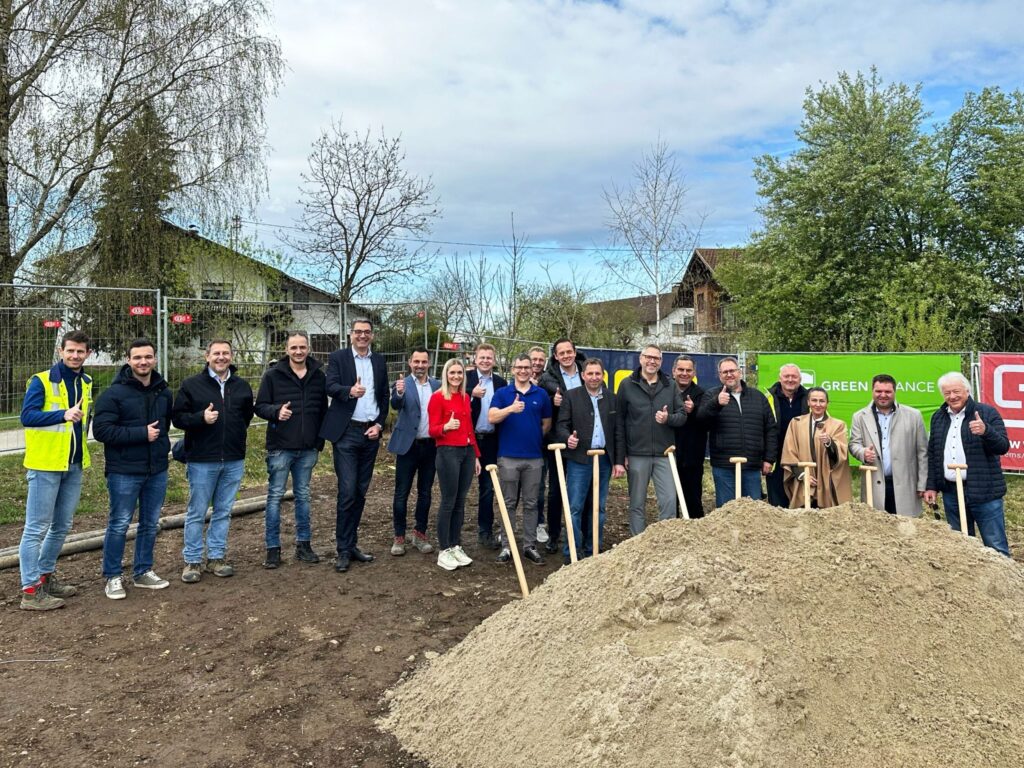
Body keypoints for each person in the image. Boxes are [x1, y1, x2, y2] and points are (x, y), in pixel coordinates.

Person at [17, 330, 92, 610]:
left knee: (62, 526)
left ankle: (45, 576)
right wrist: (62, 414)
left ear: (88, 354)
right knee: (36, 528)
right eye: (70, 350)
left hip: (72, 465)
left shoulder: (85, 381)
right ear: (61, 351)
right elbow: (28, 416)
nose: (74, 356)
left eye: (80, 351)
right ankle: (30, 590)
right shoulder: (42, 380)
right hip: (45, 465)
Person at [93, 338, 173, 599]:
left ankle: (142, 571)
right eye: (137, 357)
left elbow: (168, 425)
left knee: (150, 524)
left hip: (156, 470)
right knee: (119, 524)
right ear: (128, 360)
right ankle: (113, 576)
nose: (143, 362)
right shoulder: (113, 394)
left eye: (148, 357)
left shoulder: (163, 391)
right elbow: (102, 431)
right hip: (124, 471)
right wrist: (141, 433)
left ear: (155, 359)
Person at [172, 340, 254, 582]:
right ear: (206, 356)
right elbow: (178, 418)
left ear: (232, 356)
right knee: (196, 511)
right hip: (201, 459)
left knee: (223, 511)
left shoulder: (241, 386)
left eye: (225, 353)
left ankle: (217, 557)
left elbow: (246, 416)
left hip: (233, 458)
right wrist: (200, 418)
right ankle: (193, 561)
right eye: (216, 353)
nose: (221, 357)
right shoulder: (191, 385)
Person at [254, 330, 328, 569]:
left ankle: (303, 544)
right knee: (275, 496)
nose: (298, 352)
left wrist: (320, 441)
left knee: (303, 496)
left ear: (308, 349)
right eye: (294, 348)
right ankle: (272, 548)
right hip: (280, 448)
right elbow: (260, 407)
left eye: (302, 347)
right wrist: (276, 412)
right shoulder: (273, 376)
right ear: (286, 350)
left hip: (307, 449)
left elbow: (322, 410)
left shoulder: (318, 376)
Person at [320, 318, 389, 573]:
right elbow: (330, 386)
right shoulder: (339, 357)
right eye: (358, 332)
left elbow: (384, 396)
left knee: (360, 492)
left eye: (367, 332)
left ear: (372, 335)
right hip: (346, 433)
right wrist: (350, 391)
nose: (362, 336)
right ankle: (342, 549)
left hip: (370, 433)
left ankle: (352, 545)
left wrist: (380, 425)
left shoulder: (379, 361)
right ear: (351, 334)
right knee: (347, 491)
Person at [924, 372, 1011, 556]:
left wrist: (986, 431)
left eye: (956, 391)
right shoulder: (938, 418)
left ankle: (1001, 583)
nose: (952, 396)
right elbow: (933, 454)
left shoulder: (986, 412)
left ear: (967, 390)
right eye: (947, 393)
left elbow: (1003, 446)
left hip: (984, 491)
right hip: (951, 493)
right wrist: (931, 486)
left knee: (995, 546)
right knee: (961, 546)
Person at [614, 344, 685, 534]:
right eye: (648, 357)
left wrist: (667, 418)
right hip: (637, 453)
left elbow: (682, 416)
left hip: (665, 454)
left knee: (669, 500)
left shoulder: (670, 385)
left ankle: (664, 543)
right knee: (637, 503)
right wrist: (621, 457)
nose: (652, 361)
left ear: (661, 362)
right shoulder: (627, 385)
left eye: (657, 358)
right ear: (641, 359)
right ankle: (637, 544)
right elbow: (619, 422)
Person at [554, 358, 620, 562]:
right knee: (575, 507)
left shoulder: (612, 398)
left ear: (602, 375)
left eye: (597, 374)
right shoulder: (571, 396)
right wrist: (568, 438)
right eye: (589, 373)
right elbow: (561, 425)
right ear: (583, 375)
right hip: (579, 460)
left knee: (598, 507)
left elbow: (618, 431)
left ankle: (594, 551)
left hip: (604, 460)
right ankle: (572, 552)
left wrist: (618, 461)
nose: (594, 377)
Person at [489, 353, 552, 565]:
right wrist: (511, 409)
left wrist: (532, 437)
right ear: (513, 369)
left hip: (534, 458)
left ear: (531, 369)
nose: (523, 370)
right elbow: (492, 417)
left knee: (532, 503)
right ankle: (507, 546)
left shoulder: (541, 394)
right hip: (508, 457)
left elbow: (546, 423)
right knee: (508, 503)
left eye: (527, 367)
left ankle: (529, 545)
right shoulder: (503, 393)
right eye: (519, 367)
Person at [699, 356, 777, 506]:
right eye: (725, 372)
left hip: (751, 465)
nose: (729, 374)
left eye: (732, 371)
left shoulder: (758, 397)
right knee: (726, 511)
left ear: (740, 372)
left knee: (752, 511)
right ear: (720, 375)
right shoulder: (711, 395)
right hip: (724, 465)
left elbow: (770, 429)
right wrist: (716, 403)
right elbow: (701, 422)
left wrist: (769, 459)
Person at [427, 358, 481, 570]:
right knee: (448, 501)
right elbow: (432, 429)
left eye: (460, 373)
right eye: (453, 373)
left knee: (461, 501)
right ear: (446, 374)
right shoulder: (438, 398)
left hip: (466, 452)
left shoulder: (465, 397)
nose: (456, 376)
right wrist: (446, 426)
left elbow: (469, 428)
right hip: (447, 451)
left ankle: (456, 544)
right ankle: (444, 549)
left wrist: (476, 454)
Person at [849, 374, 928, 516]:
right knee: (877, 530)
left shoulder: (914, 416)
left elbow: (922, 452)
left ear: (894, 392)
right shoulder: (859, 416)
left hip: (905, 485)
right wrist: (862, 453)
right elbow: (854, 444)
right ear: (872, 391)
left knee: (906, 531)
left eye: (887, 392)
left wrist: (922, 483)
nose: (883, 395)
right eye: (878, 391)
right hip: (874, 483)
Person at [536, 337, 588, 552]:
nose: (566, 356)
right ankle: (554, 535)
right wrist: (552, 402)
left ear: (575, 353)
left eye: (569, 352)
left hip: (583, 441)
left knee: (582, 489)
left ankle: (582, 533)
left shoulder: (588, 373)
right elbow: (542, 406)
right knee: (556, 490)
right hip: (558, 442)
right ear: (556, 356)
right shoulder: (548, 378)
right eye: (561, 353)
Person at [387, 347, 440, 556]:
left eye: (423, 362)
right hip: (407, 447)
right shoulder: (402, 384)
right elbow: (395, 404)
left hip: (430, 446)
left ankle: (420, 533)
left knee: (425, 492)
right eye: (416, 362)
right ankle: (399, 536)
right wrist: (399, 392)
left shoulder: (437, 385)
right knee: (401, 493)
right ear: (410, 363)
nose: (420, 366)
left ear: (429, 363)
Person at [780, 387, 852, 508]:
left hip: (827, 485)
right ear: (808, 402)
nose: (818, 404)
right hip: (803, 485)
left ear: (827, 403)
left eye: (822, 401)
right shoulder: (796, 423)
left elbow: (841, 456)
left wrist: (830, 443)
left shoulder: (838, 425)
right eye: (814, 400)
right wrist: (803, 475)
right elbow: (789, 453)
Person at [466, 342, 506, 550]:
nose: (485, 360)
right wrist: (472, 395)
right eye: (482, 357)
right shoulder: (466, 380)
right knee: (461, 487)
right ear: (475, 359)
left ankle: (485, 531)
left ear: (494, 360)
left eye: (489, 357)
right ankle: (454, 535)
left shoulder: (500, 383)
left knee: (488, 488)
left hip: (492, 441)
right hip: (468, 439)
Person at [765, 364, 808, 506]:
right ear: (780, 378)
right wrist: (765, 458)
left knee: (801, 500)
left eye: (794, 376)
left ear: (800, 379)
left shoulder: (809, 398)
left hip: (800, 458)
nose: (790, 379)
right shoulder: (767, 398)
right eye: (786, 376)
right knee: (777, 503)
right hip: (775, 457)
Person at [672, 355, 709, 519]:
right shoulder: (665, 391)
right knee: (670, 502)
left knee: (693, 502)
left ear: (694, 373)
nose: (684, 373)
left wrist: (694, 411)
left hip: (692, 460)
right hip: (668, 456)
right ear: (674, 371)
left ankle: (696, 539)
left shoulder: (702, 395)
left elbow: (707, 423)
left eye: (688, 370)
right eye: (681, 369)